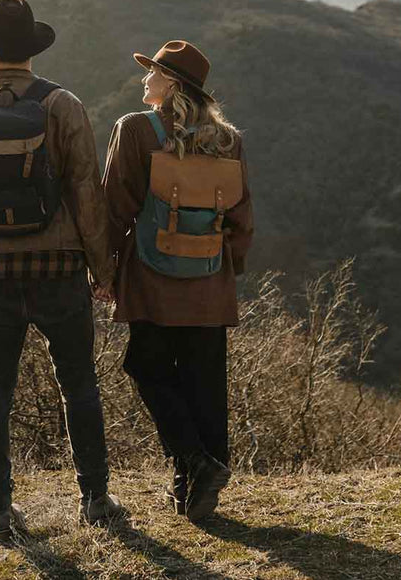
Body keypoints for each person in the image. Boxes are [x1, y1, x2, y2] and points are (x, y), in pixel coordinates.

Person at [0, 0, 124, 544]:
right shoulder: (63, 105)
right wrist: (100, 267)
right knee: (78, 385)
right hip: (59, 268)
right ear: (33, 50)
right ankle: (95, 498)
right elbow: (88, 192)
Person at [99, 39, 254, 521]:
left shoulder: (135, 130)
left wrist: (103, 271)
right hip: (209, 279)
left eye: (152, 73)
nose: (144, 79)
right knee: (203, 380)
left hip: (150, 275)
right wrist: (227, 268)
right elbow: (241, 217)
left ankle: (192, 462)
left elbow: (114, 206)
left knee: (146, 366)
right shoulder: (228, 140)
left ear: (170, 84)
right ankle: (195, 490)